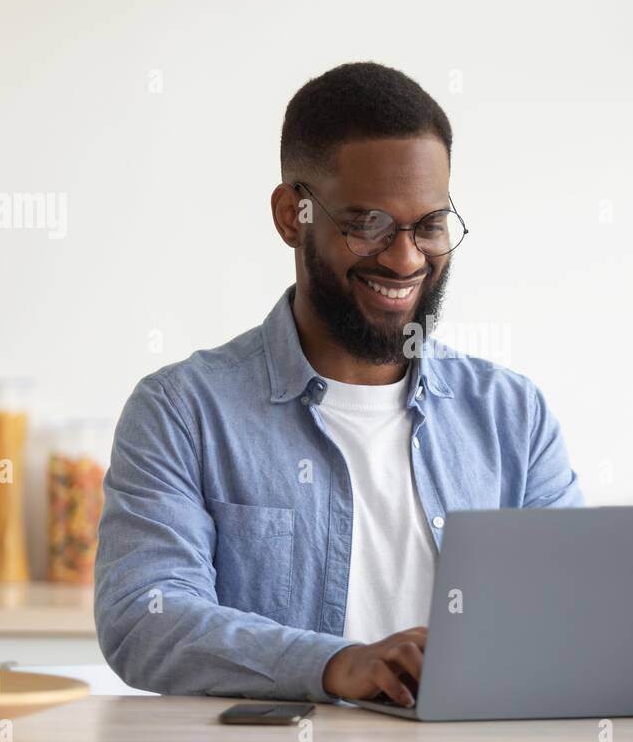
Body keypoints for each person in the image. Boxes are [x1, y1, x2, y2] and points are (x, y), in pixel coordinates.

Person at [95, 61, 582, 707]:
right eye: (369, 224)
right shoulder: (184, 412)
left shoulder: (510, 415)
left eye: (430, 225)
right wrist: (334, 664)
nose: (406, 259)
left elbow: (578, 617)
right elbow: (144, 616)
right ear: (290, 215)